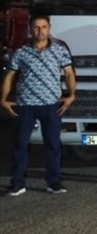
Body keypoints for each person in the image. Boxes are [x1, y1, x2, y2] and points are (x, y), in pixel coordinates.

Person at [1, 14, 76, 196]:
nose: (40, 30)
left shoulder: (59, 51)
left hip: (52, 105)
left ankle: (54, 182)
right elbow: (10, 75)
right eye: (36, 27)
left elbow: (69, 73)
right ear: (30, 29)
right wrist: (3, 99)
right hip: (25, 104)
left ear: (49, 28)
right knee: (20, 144)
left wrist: (71, 95)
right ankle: (18, 183)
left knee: (53, 145)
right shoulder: (21, 52)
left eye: (43, 26)